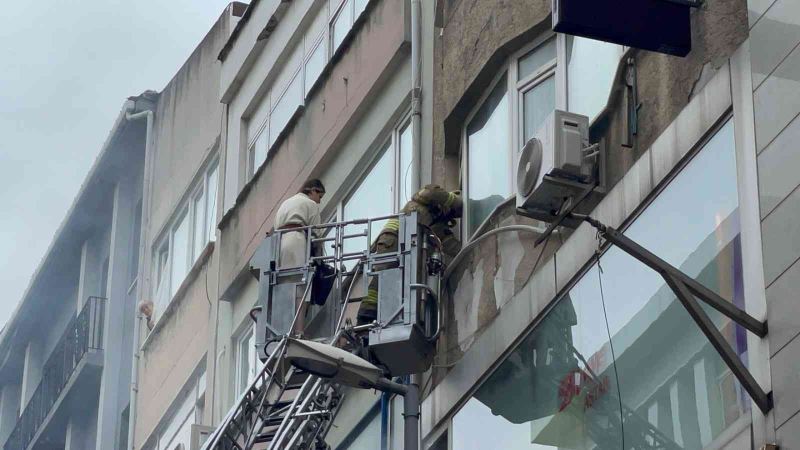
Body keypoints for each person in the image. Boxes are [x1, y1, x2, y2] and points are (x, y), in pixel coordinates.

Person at [357, 184, 463, 325]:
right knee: (382, 279)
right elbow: (430, 192)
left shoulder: (435, 220)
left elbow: (448, 243)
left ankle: (375, 319)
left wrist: (469, 248)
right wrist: (458, 203)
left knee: (391, 283)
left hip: (401, 245)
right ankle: (364, 316)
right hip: (393, 239)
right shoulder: (428, 199)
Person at [274, 178, 326, 334]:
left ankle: (282, 329)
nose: (319, 201)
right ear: (313, 191)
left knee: (283, 286)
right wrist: (319, 260)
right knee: (301, 288)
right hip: (297, 240)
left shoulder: (285, 204)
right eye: (320, 196)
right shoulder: (310, 205)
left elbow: (276, 226)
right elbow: (317, 234)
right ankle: (298, 331)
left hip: (280, 244)